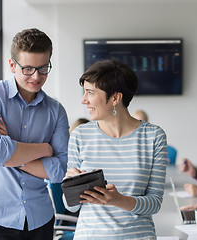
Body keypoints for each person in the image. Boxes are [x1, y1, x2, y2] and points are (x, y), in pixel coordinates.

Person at [0, 28, 69, 239]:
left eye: (43, 68)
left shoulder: (56, 110)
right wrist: (44, 149)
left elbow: (61, 169)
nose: (36, 76)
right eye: (28, 68)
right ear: (12, 65)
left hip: (39, 218)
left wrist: (11, 148)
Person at [64, 59, 168, 239]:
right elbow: (70, 206)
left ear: (115, 98)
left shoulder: (154, 137)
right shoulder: (80, 135)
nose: (84, 100)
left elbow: (155, 203)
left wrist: (118, 200)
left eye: (90, 92)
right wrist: (70, 186)